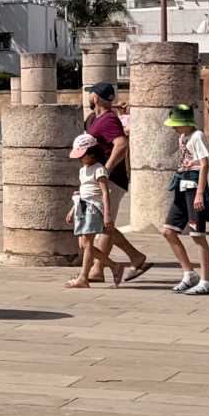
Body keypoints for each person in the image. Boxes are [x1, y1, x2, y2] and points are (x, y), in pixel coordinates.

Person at [82, 83, 152, 282]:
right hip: (103, 179)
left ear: (95, 97)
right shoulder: (96, 118)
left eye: (90, 94)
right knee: (104, 225)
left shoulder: (108, 119)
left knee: (104, 225)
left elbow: (121, 144)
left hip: (111, 180)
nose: (89, 97)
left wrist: (106, 169)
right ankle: (133, 258)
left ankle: (98, 270)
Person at [161, 103, 209, 295]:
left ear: (185, 122)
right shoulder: (183, 137)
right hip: (182, 186)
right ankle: (189, 273)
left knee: (197, 235)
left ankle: (206, 281)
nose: (174, 128)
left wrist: (200, 193)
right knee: (168, 231)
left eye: (176, 124)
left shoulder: (197, 136)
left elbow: (204, 164)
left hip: (194, 188)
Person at [65, 132, 122, 289]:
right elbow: (82, 191)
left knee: (88, 243)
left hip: (93, 208)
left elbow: (105, 193)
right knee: (83, 244)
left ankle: (83, 277)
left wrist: (107, 214)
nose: (80, 159)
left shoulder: (99, 170)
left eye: (82, 155)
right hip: (82, 206)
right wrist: (73, 209)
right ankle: (114, 266)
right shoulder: (83, 170)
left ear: (91, 153)